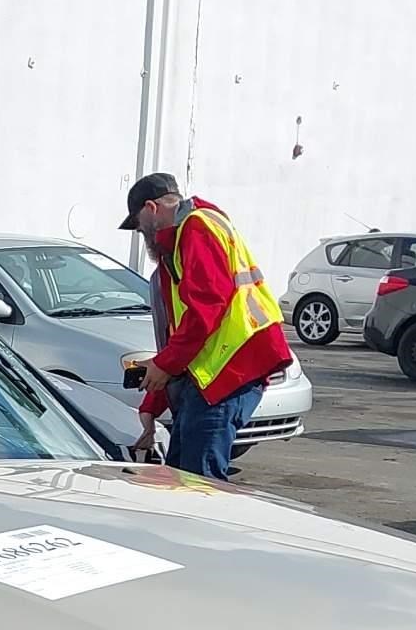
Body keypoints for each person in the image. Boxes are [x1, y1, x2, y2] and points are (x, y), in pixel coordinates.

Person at [120, 172, 290, 481]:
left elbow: (206, 309)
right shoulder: (182, 246)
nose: (140, 231)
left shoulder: (196, 229)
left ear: (151, 208)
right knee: (182, 478)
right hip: (215, 375)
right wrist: (154, 402)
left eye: (137, 222)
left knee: (198, 487)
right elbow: (179, 333)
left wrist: (163, 367)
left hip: (229, 372)